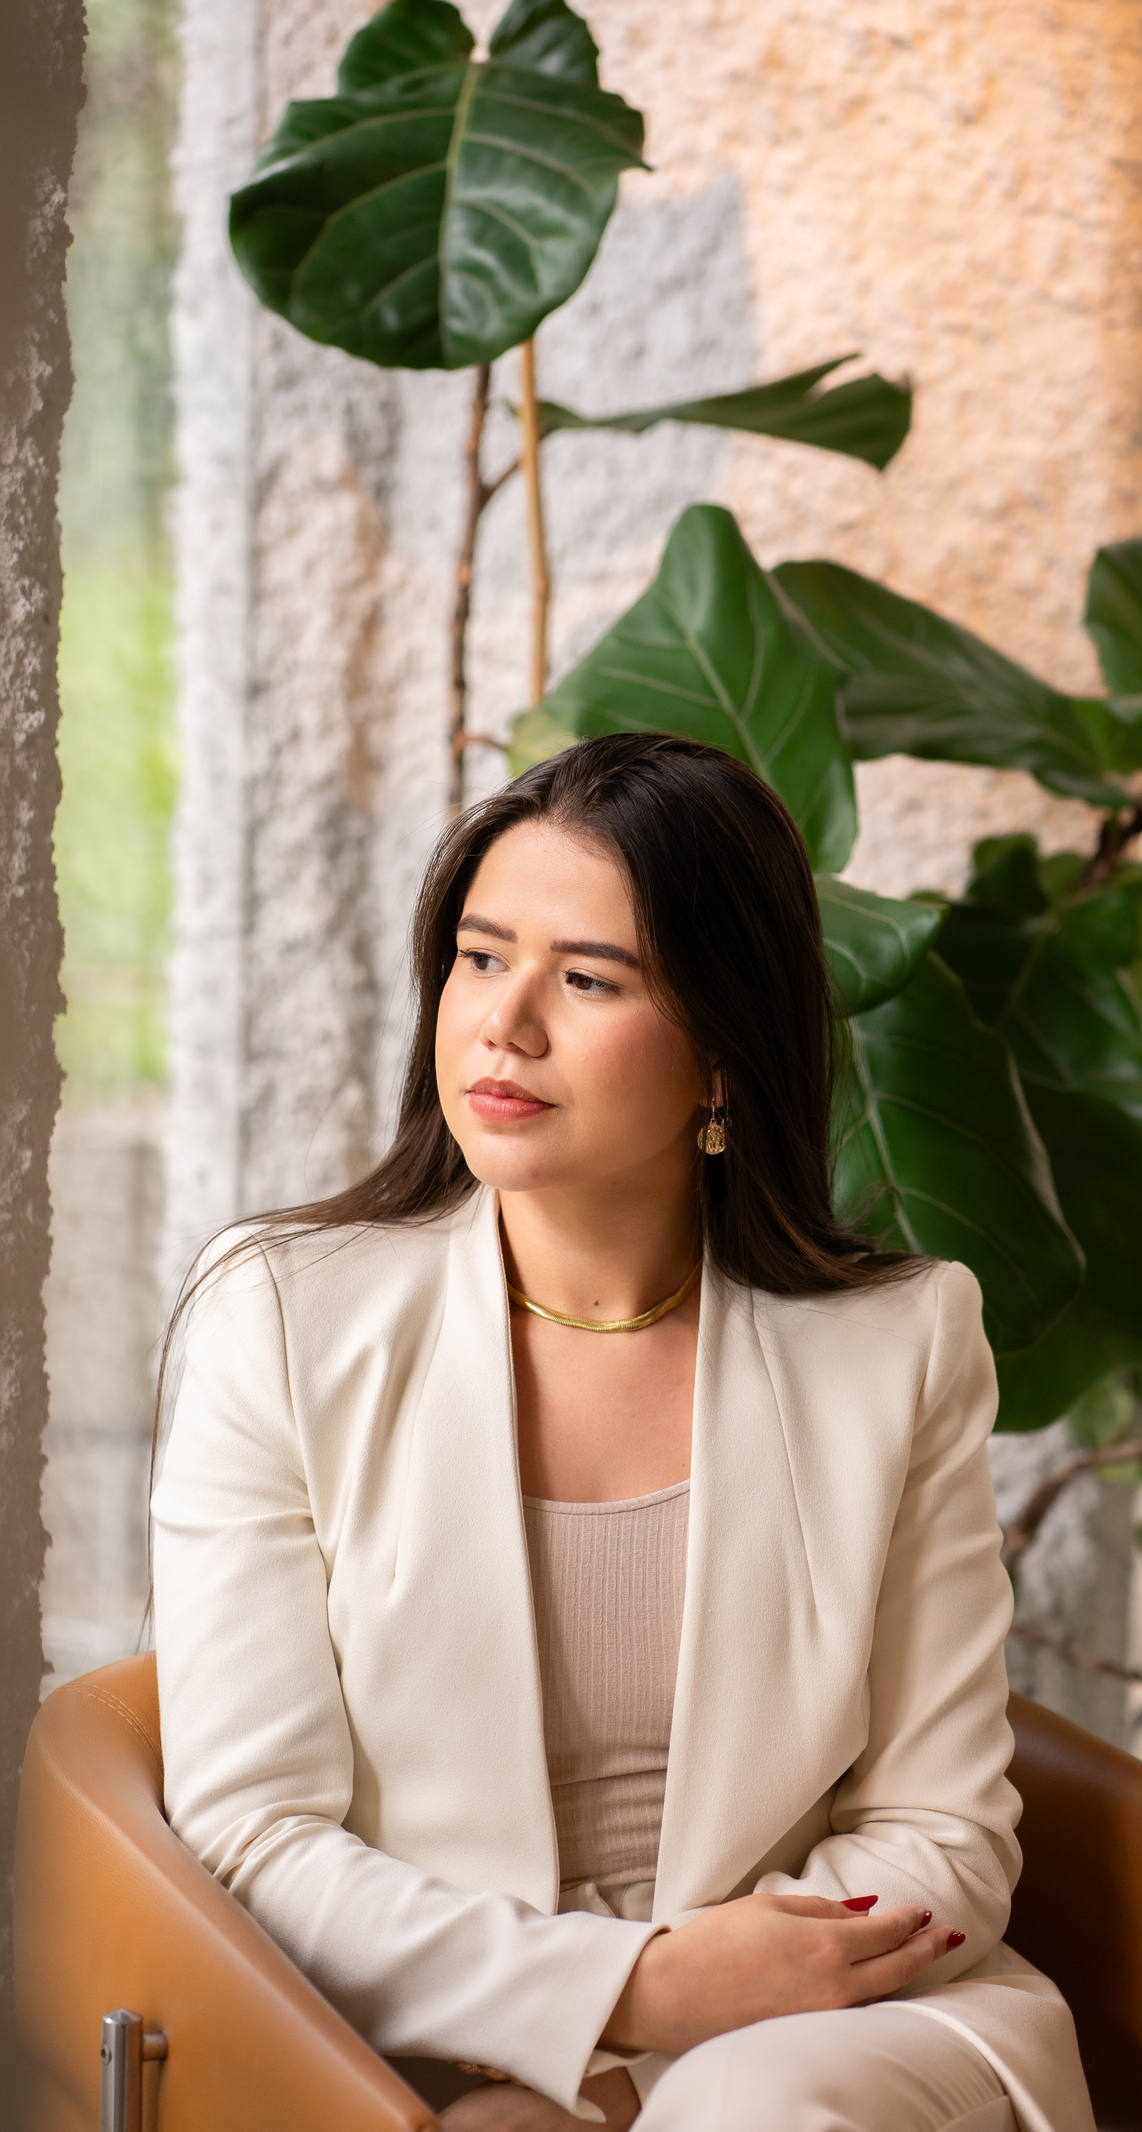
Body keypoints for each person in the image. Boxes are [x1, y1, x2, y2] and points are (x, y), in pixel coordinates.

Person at [152, 734, 1093, 2132]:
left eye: (588, 979)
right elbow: (252, 1834)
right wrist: (620, 1997)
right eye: (481, 958)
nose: (505, 1024)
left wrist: (693, 2027)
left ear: (723, 1046)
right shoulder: (282, 1319)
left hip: (838, 2028)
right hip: (432, 2037)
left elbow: (942, 1831)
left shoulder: (900, 1342)